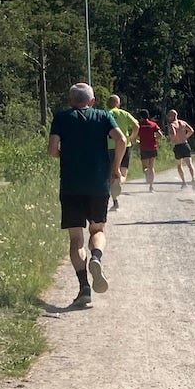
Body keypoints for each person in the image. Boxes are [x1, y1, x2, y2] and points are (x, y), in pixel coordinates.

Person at [47, 83, 125, 308]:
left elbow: (52, 149)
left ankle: (84, 288)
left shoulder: (61, 117)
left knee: (76, 239)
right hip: (98, 185)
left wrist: (66, 156)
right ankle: (97, 258)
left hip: (71, 185)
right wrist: (115, 168)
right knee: (97, 230)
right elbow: (121, 140)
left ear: (71, 101)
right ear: (91, 101)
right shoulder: (101, 116)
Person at [106, 95, 139, 210]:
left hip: (109, 147)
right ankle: (120, 180)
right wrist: (132, 137)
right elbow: (136, 125)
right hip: (124, 146)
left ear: (107, 104)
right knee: (122, 172)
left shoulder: (105, 114)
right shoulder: (124, 114)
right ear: (118, 104)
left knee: (112, 173)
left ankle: (115, 201)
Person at [166, 109, 195, 188]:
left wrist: (171, 141)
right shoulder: (183, 122)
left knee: (179, 165)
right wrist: (185, 137)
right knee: (189, 164)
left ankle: (184, 182)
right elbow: (191, 130)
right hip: (185, 144)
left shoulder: (172, 125)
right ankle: (193, 179)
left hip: (178, 146)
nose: (168, 117)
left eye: (169, 116)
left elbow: (174, 134)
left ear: (173, 116)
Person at [135, 109, 162, 191]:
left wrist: (137, 141)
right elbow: (160, 135)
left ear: (140, 117)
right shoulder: (153, 124)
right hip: (153, 147)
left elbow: (135, 136)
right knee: (152, 167)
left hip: (144, 148)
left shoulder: (139, 125)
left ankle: (147, 174)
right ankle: (151, 186)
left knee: (145, 167)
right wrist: (154, 139)